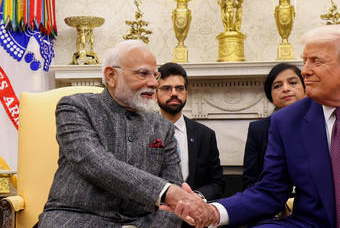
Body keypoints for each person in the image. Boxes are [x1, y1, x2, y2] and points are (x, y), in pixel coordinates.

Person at [174, 25, 340, 227]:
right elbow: (269, 191)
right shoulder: (286, 121)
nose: (305, 71)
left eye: (316, 61)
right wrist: (213, 211)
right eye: (305, 61)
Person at [37, 40, 212, 228]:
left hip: (144, 223)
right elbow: (96, 162)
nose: (154, 83)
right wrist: (165, 191)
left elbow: (171, 202)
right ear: (111, 76)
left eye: (155, 75)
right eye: (143, 73)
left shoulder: (163, 126)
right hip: (76, 219)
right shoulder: (75, 107)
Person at [155, 62, 225, 227]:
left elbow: (217, 183)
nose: (174, 93)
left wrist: (195, 198)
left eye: (179, 88)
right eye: (166, 88)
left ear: (186, 92)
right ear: (154, 94)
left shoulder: (205, 135)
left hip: (194, 219)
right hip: (155, 216)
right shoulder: (143, 131)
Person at [243, 63, 306, 191]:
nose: (286, 89)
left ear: (305, 89)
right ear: (271, 97)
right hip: (272, 204)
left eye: (293, 83)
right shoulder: (258, 129)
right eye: (277, 86)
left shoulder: (321, 122)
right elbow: (250, 181)